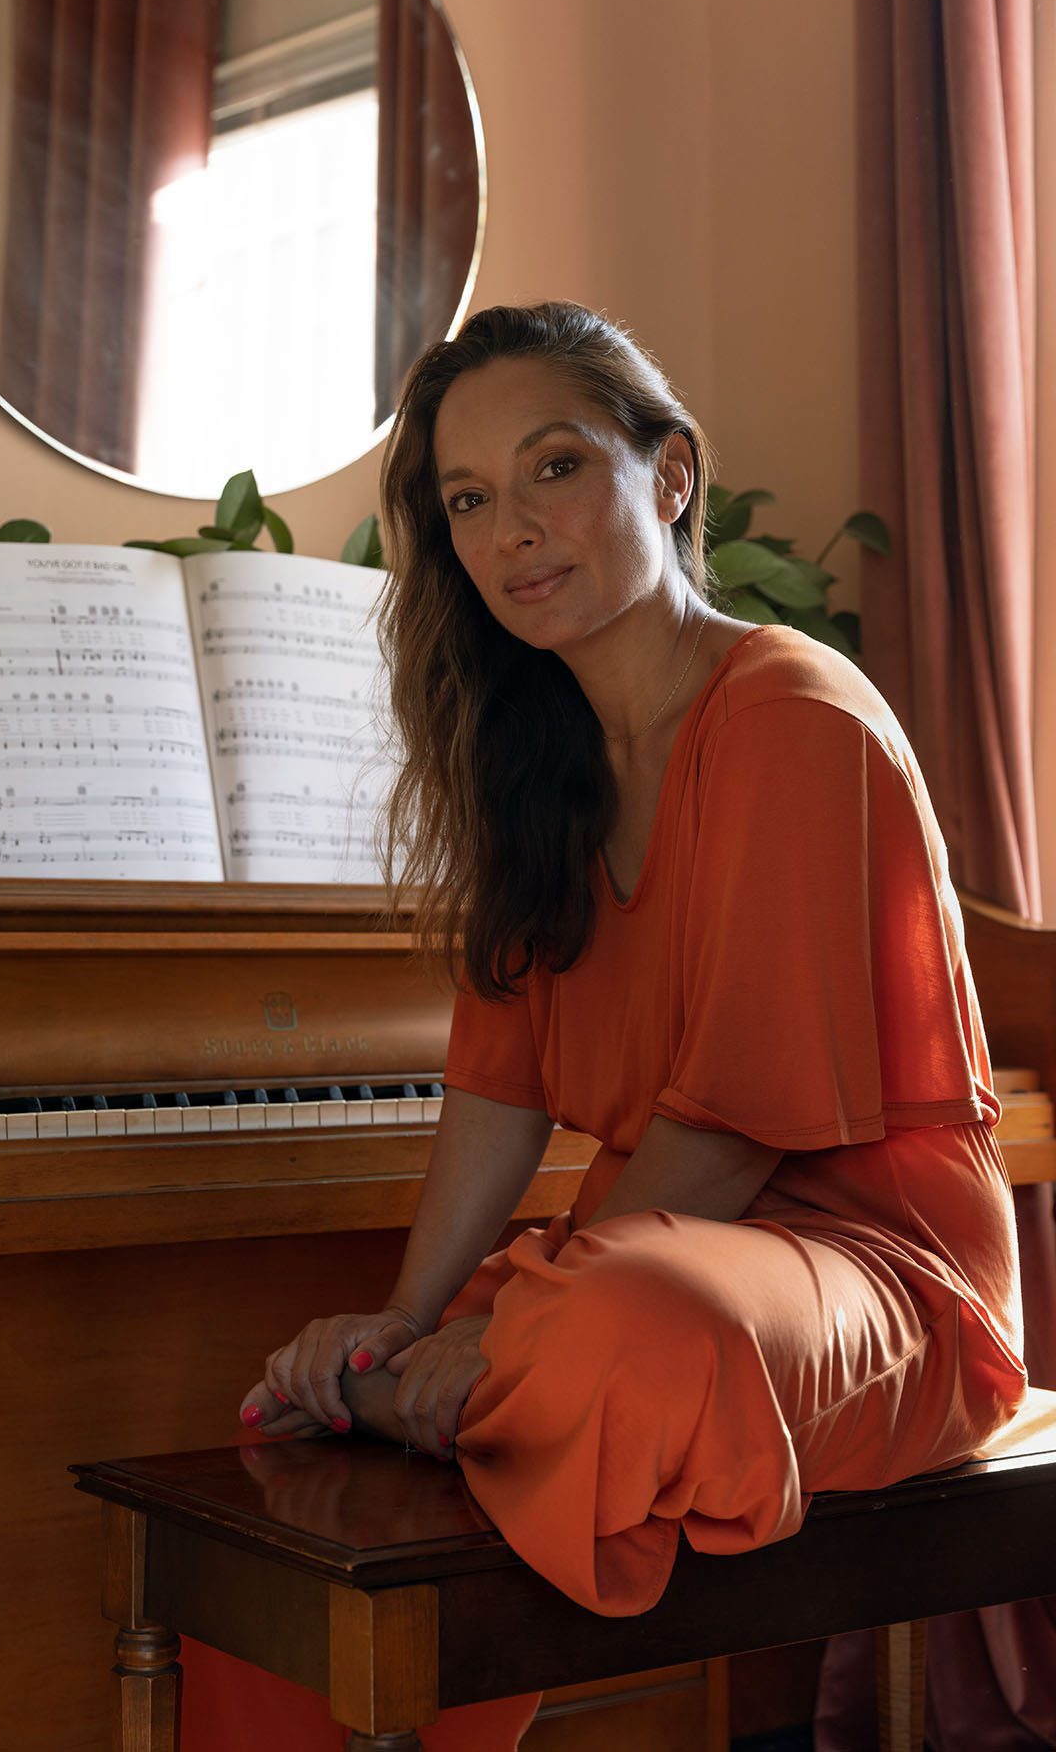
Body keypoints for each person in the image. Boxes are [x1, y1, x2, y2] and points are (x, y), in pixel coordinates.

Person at [179, 301, 1026, 1750]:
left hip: (883, 1290)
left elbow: (728, 1127)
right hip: (648, 1263)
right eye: (467, 500)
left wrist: (489, 1329)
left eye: (556, 468)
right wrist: (410, 1315)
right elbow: (497, 1094)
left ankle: (473, 1384)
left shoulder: (791, 715)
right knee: (327, 1487)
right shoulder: (536, 762)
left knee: (609, 1334)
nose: (511, 529)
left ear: (671, 473)